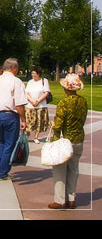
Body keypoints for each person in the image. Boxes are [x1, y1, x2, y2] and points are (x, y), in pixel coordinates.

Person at [0, 58, 28, 181]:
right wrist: (23, 119)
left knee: (1, 141)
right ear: (14, 68)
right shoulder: (16, 82)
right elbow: (19, 104)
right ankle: (2, 173)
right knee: (10, 144)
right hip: (9, 115)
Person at [46, 74, 86, 209]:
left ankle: (60, 200)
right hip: (78, 139)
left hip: (64, 141)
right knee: (74, 170)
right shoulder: (83, 101)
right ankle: (71, 198)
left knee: (59, 170)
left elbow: (58, 125)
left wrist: (53, 123)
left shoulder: (64, 103)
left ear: (66, 89)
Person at [24, 69, 53, 143]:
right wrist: (32, 101)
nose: (32, 75)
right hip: (30, 105)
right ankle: (27, 133)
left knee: (39, 121)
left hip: (41, 105)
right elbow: (26, 92)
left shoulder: (44, 81)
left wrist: (38, 101)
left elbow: (46, 92)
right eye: (32, 73)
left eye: (34, 73)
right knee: (29, 121)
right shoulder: (30, 82)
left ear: (38, 74)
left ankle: (36, 137)